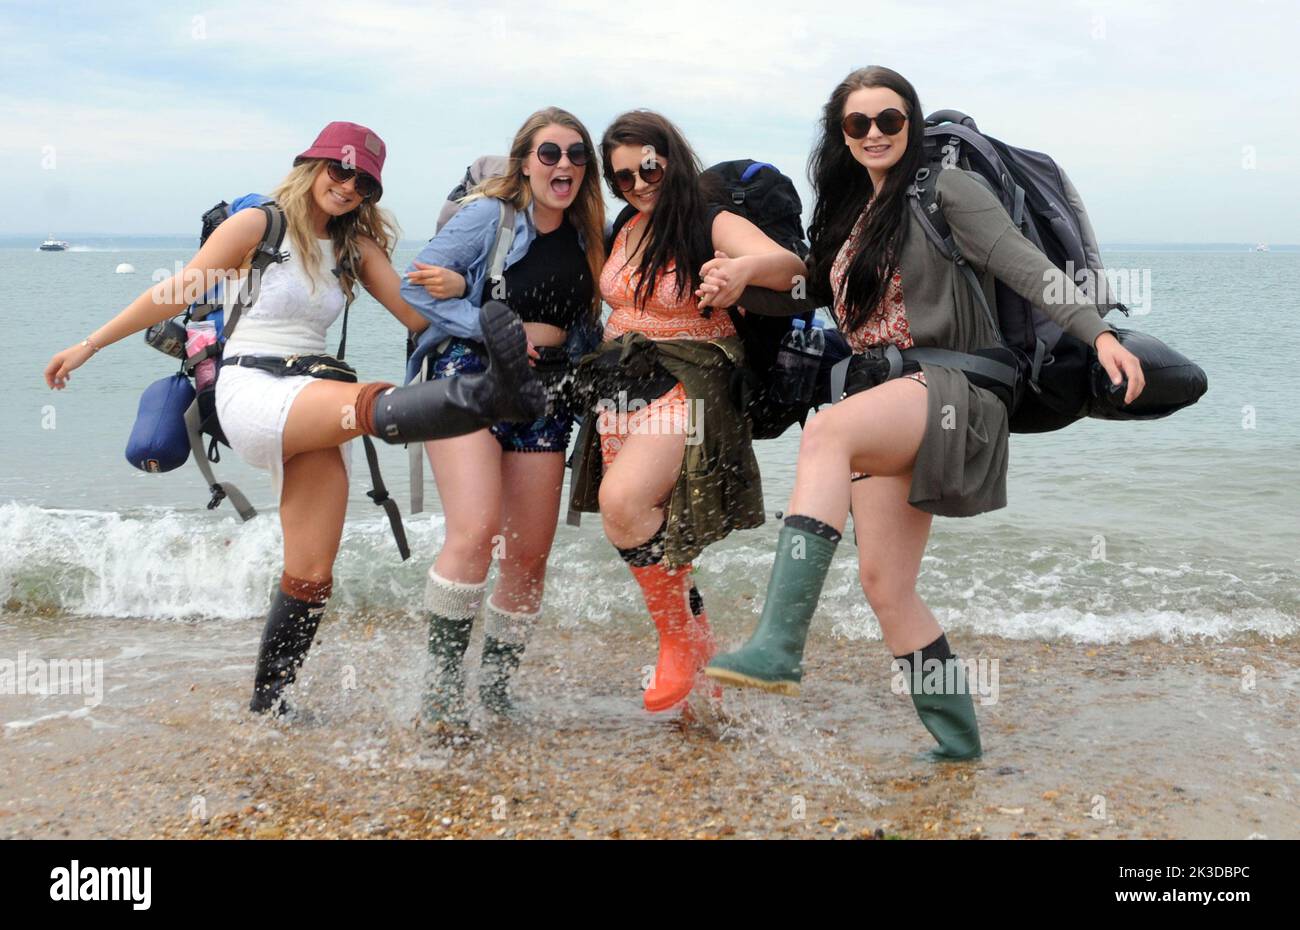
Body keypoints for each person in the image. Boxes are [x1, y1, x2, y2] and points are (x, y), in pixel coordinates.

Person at [705, 68, 1146, 760]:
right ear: (842, 135)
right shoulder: (853, 218)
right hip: (888, 398)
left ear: (910, 124)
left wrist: (1101, 333)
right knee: (887, 587)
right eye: (859, 124)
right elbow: (809, 289)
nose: (875, 133)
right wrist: (741, 275)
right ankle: (959, 744)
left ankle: (779, 643)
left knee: (826, 431)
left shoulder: (945, 190)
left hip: (952, 389)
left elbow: (1021, 263)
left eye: (890, 119)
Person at [43, 121, 544, 717]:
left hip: (314, 395)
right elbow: (176, 291)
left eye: (364, 183)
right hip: (251, 386)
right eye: (341, 170)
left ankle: (268, 706)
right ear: (314, 165)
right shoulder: (260, 225)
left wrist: (487, 307)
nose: (350, 186)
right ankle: (488, 398)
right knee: (367, 402)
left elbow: (418, 317)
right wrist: (90, 345)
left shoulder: (355, 248)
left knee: (311, 571)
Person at [566, 110, 806, 713]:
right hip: (622, 383)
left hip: (691, 378)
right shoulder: (624, 225)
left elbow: (791, 270)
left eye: (648, 167)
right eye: (622, 177)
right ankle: (699, 658)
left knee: (623, 504)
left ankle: (678, 640)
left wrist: (741, 271)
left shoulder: (706, 218)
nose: (639, 184)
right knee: (651, 525)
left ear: (670, 157)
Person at [398, 107, 606, 724]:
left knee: (529, 554)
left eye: (575, 154)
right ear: (524, 162)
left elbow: (589, 322)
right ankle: (440, 698)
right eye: (549, 153)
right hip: (471, 375)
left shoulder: (590, 231)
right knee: (475, 532)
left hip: (547, 391)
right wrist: (492, 325)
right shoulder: (490, 215)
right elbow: (413, 289)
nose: (563, 164)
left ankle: (493, 692)